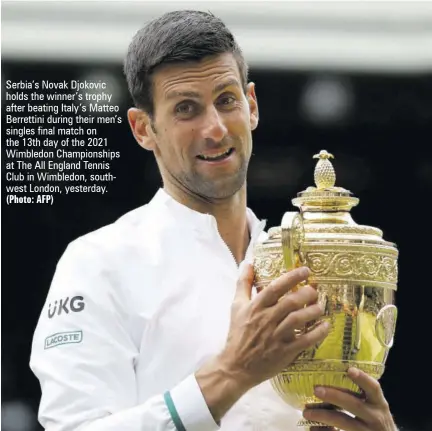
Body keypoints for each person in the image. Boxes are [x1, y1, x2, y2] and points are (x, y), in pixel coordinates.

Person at [30, 10, 398, 431]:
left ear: (252, 105)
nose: (216, 129)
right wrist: (232, 372)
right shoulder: (97, 263)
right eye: (186, 109)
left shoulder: (314, 258)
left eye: (226, 100)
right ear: (142, 129)